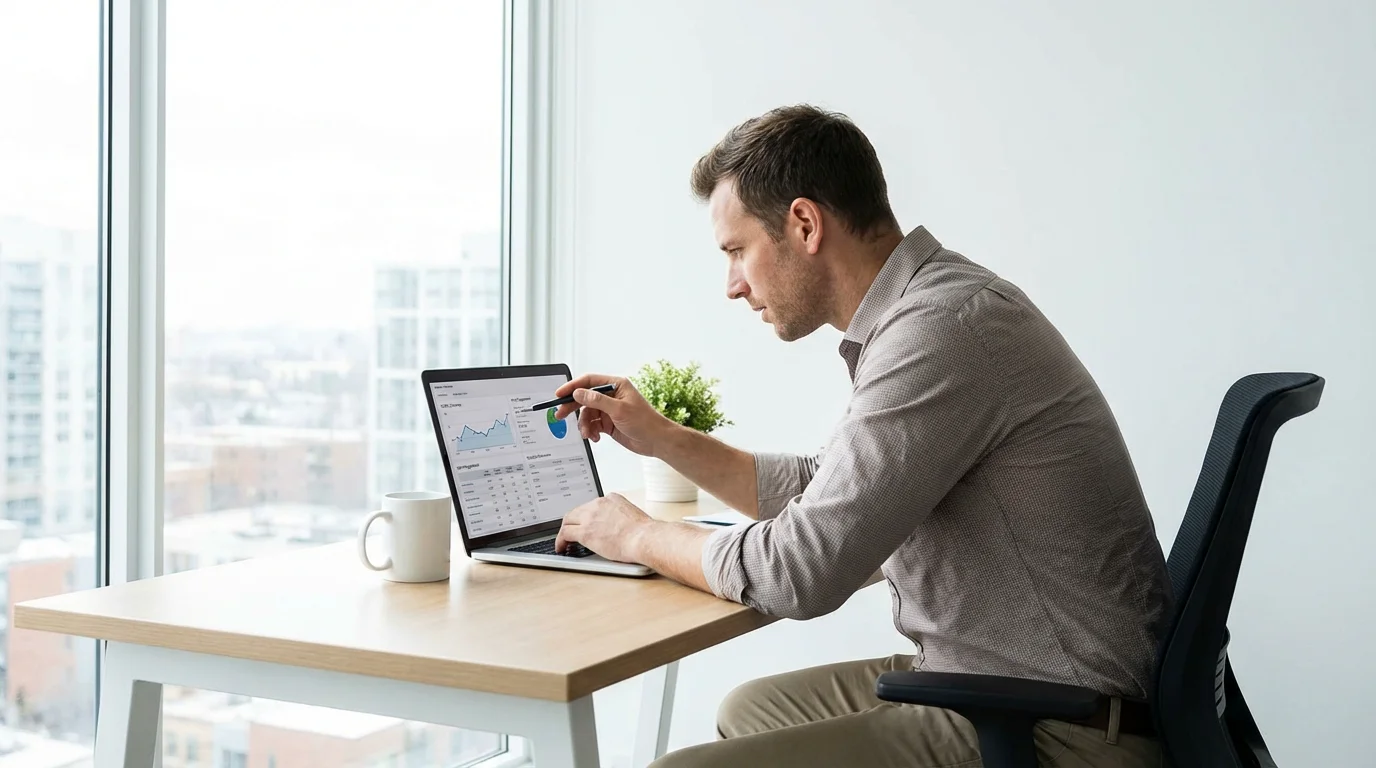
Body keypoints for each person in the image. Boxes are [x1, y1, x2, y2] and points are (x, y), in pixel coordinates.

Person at [551, 104, 1172, 767]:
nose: (732, 286)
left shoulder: (941, 333)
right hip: (1003, 683)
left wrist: (638, 535)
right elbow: (827, 490)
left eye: (737, 251)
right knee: (748, 709)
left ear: (805, 224)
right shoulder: (932, 308)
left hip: (1061, 727)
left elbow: (799, 573)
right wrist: (663, 437)